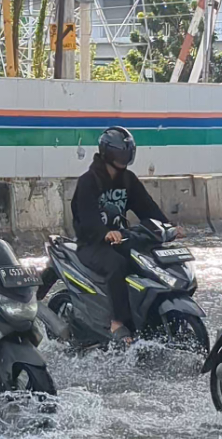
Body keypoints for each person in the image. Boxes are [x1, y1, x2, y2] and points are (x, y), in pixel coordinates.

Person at [71, 126, 179, 341]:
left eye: (127, 151)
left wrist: (167, 227)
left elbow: (147, 208)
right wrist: (105, 233)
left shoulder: (128, 180)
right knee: (116, 265)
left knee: (148, 259)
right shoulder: (88, 181)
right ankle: (117, 321)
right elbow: (86, 217)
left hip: (121, 238)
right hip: (91, 244)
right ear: (107, 152)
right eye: (120, 151)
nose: (124, 156)